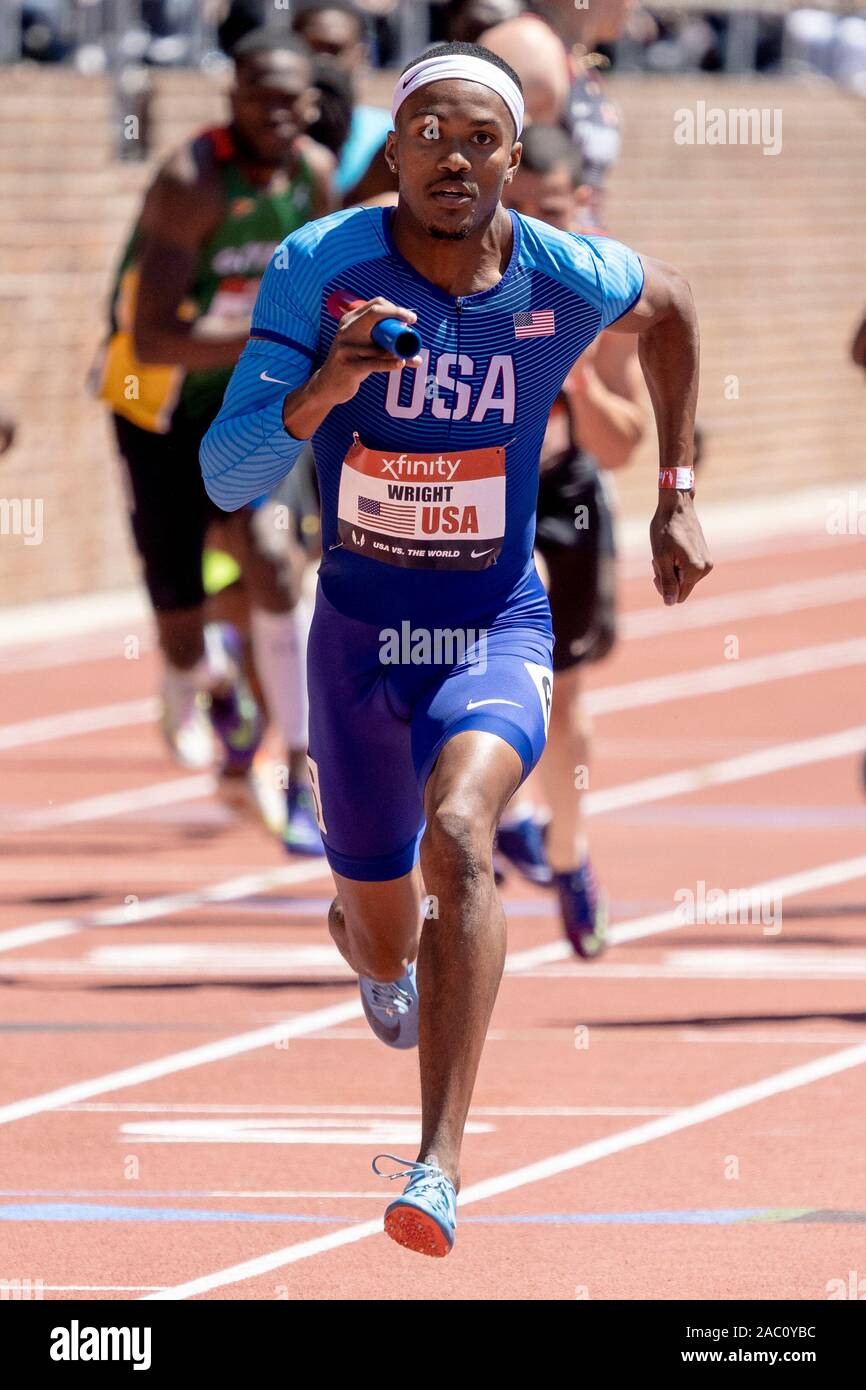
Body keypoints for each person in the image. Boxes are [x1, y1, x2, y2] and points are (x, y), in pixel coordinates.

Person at [201, 40, 711, 1257]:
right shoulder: (318, 267)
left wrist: (679, 491)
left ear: (513, 157)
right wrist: (327, 385)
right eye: (429, 133)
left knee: (466, 834)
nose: (453, 157)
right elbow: (230, 472)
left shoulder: (559, 276)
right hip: (360, 637)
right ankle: (367, 945)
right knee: (379, 923)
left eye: (479, 138)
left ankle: (436, 1163)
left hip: (491, 620)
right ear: (393, 149)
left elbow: (675, 306)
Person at [96, 29, 332, 852]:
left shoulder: (314, 175)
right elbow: (153, 338)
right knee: (181, 617)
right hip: (156, 405)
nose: (280, 112)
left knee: (271, 559)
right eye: (262, 95)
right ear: (232, 99)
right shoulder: (192, 182)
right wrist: (267, 340)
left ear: (311, 103)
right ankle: (208, 675)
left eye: (293, 98)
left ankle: (304, 776)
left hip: (251, 404)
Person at [500, 122, 646, 956]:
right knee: (466, 663)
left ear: (578, 205)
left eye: (547, 212)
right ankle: (489, 830)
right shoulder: (453, 261)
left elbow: (624, 443)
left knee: (567, 691)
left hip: (565, 495)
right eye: (511, 208)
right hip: (480, 489)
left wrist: (576, 372)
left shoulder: (604, 282)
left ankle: (568, 851)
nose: (525, 228)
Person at [291, 0, 393, 201]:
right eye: (311, 49)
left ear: (361, 55)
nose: (321, 61)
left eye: (334, 49)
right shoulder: (269, 135)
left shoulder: (390, 135)